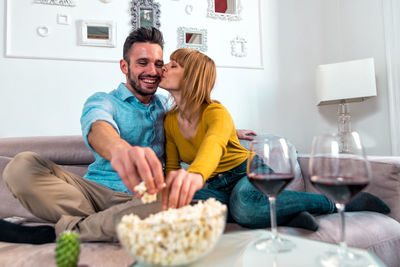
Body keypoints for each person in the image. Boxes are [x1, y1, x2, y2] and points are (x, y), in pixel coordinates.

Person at [1, 27, 255, 243]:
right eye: (142, 63)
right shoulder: (103, 100)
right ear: (125, 66)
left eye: (158, 64)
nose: (153, 71)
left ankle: (62, 232)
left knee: (190, 207)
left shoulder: (167, 111)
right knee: (22, 166)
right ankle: (105, 225)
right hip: (89, 194)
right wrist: (120, 151)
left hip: (145, 201)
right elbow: (99, 127)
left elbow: (201, 122)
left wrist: (231, 130)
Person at [158, 48, 390, 230]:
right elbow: (171, 166)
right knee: (178, 204)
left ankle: (337, 203)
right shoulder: (169, 120)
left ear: (192, 76)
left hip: (248, 172)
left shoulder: (215, 113)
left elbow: (213, 146)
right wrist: (172, 193)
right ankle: (286, 214)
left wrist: (196, 176)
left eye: (173, 65)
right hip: (219, 187)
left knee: (246, 208)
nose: (164, 67)